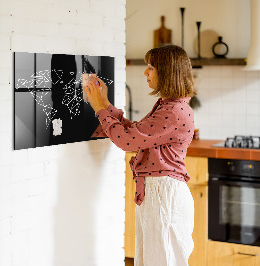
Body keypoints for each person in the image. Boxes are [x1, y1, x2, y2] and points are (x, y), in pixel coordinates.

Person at [84, 44, 196, 266]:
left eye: (151, 67)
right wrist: (105, 104)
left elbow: (127, 141)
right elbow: (135, 133)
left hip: (164, 195)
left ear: (167, 72)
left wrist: (99, 108)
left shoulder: (173, 111)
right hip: (159, 193)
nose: (145, 72)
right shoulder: (169, 106)